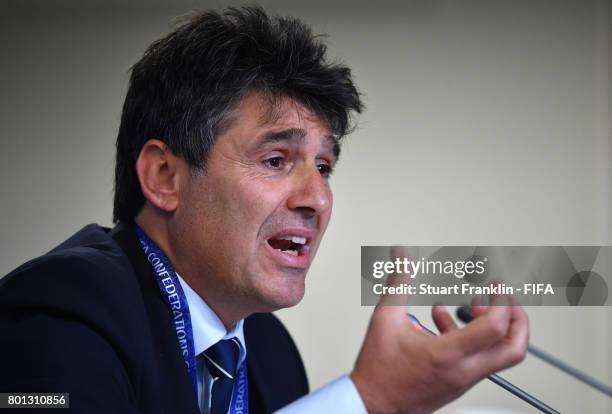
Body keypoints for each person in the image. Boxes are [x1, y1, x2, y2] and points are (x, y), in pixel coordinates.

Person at [0, 6, 529, 414]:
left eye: (324, 167)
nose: (317, 199)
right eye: (277, 159)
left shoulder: (270, 353)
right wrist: (370, 400)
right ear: (166, 177)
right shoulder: (57, 318)